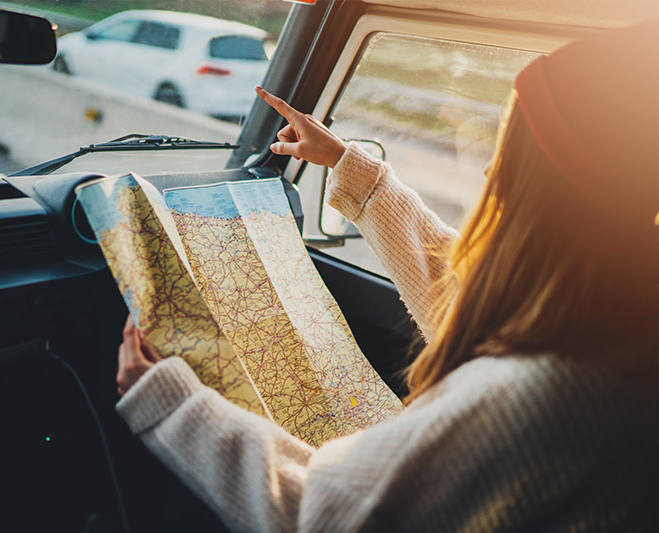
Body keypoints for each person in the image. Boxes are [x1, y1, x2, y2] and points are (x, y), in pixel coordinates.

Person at [114, 19, 658, 532]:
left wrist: (171, 403)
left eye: (508, 148)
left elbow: (318, 515)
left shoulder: (537, 394)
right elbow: (461, 287)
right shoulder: (614, 324)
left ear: (548, 189)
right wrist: (350, 167)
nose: (491, 169)